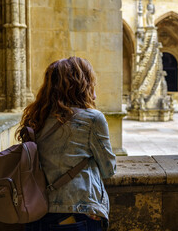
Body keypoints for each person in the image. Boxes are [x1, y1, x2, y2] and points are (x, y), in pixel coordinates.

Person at [17, 57, 116, 231]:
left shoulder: (36, 118)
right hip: (76, 214)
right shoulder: (92, 119)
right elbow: (109, 169)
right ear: (83, 84)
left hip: (35, 212)